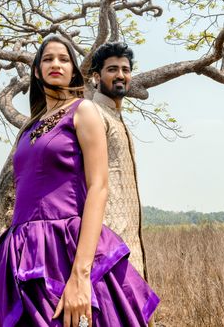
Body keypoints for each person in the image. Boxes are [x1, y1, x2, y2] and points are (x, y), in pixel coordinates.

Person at [0, 34, 160, 327]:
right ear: (36, 71)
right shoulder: (30, 126)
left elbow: (99, 188)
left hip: (65, 247)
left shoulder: (83, 110)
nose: (56, 64)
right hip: (23, 250)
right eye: (48, 59)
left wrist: (80, 275)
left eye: (64, 59)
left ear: (73, 71)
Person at [87, 42, 149, 282]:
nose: (121, 75)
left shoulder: (117, 119)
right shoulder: (91, 114)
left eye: (125, 69)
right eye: (112, 69)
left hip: (130, 244)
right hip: (106, 246)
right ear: (96, 76)